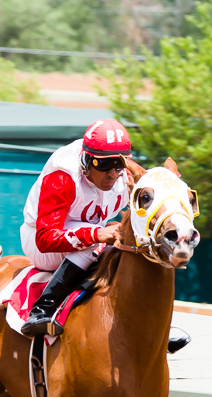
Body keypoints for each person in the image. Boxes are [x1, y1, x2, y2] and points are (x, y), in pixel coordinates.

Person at [18, 118, 131, 337]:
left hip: (83, 233)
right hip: (40, 240)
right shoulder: (63, 175)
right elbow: (45, 238)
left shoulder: (124, 174)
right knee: (97, 243)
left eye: (119, 164)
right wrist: (97, 233)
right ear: (87, 159)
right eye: (103, 165)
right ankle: (42, 310)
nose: (112, 173)